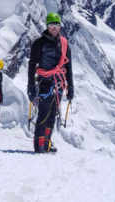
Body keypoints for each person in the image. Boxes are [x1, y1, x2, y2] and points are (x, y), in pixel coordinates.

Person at [27, 12, 73, 153]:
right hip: (45, 83)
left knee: (53, 115)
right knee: (44, 114)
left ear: (60, 26)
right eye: (51, 25)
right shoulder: (39, 43)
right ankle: (39, 146)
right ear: (47, 26)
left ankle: (46, 143)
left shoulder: (64, 44)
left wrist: (71, 87)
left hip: (58, 84)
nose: (54, 28)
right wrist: (30, 86)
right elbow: (32, 65)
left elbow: (68, 67)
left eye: (56, 25)